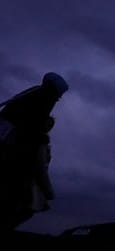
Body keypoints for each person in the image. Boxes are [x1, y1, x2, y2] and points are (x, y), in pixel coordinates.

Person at [0, 72, 68, 237]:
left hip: (14, 158)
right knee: (17, 205)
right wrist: (47, 189)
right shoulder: (38, 102)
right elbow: (34, 157)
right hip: (14, 162)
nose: (58, 100)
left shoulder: (32, 97)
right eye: (57, 95)